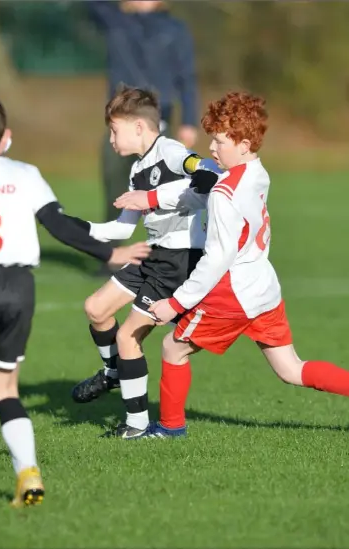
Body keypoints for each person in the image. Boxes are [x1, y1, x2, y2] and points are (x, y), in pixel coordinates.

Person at [0, 92, 150, 509]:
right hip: (20, 289)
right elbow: (59, 226)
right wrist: (110, 254)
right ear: (5, 137)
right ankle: (27, 472)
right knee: (5, 388)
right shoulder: (25, 173)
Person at [120, 91, 349, 438]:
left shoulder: (225, 194)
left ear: (243, 144)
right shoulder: (257, 172)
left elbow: (216, 260)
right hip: (263, 287)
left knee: (172, 347)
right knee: (291, 369)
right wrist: (164, 193)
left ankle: (169, 428)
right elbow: (207, 183)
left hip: (232, 292)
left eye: (219, 140)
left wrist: (177, 303)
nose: (211, 148)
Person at [70, 85, 221, 439]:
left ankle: (137, 425)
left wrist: (152, 196)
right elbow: (119, 227)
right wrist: (71, 225)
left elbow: (209, 173)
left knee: (127, 337)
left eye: (114, 130)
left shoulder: (169, 151)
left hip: (180, 259)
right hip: (153, 254)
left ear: (139, 126)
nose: (110, 139)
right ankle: (112, 373)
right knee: (96, 308)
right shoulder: (137, 169)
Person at [86, 0, 199, 268]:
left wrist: (190, 121)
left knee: (165, 194)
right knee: (115, 189)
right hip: (120, 121)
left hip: (158, 121)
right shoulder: (115, 20)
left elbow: (187, 77)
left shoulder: (174, 29)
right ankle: (112, 258)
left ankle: (171, 257)